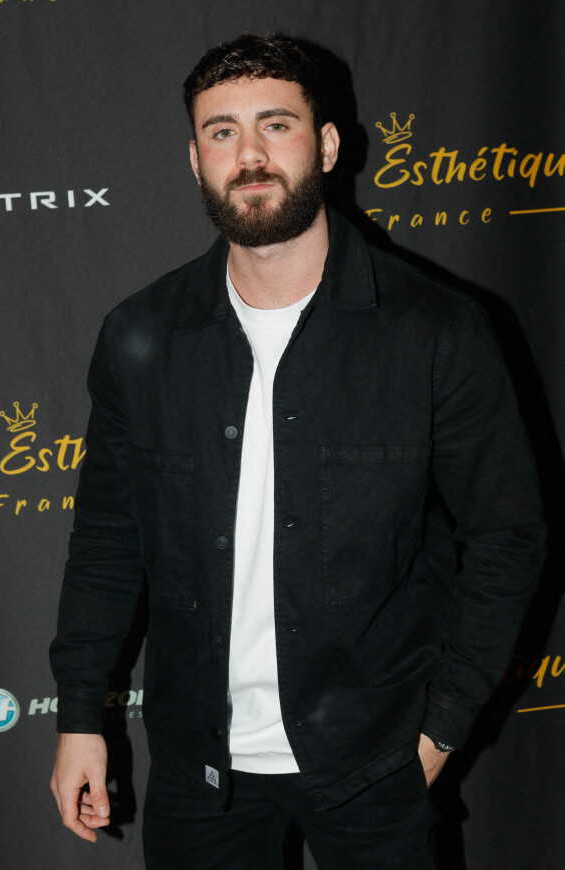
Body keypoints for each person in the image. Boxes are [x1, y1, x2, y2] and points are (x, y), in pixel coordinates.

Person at [50, 33, 546, 870]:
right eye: (221, 132)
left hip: (378, 765)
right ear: (195, 160)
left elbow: (507, 537)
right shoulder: (141, 335)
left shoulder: (436, 332)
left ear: (325, 144)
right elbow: (107, 539)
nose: (248, 154)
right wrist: (76, 718)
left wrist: (443, 727)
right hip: (199, 770)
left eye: (275, 125)